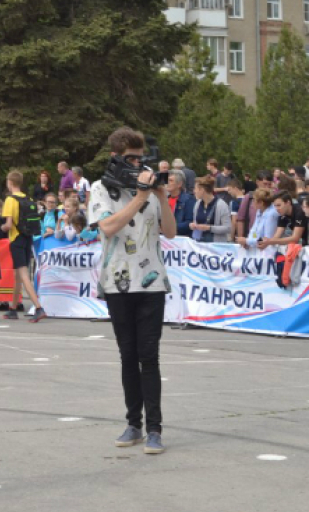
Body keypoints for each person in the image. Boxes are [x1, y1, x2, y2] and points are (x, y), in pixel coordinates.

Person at [88, 127, 176, 455]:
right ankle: (133, 424)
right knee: (128, 356)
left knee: (148, 356)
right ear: (116, 157)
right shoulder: (100, 189)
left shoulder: (151, 191)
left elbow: (169, 231)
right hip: (117, 282)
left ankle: (155, 428)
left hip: (151, 283)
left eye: (141, 158)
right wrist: (139, 197)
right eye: (131, 159)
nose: (138, 164)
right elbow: (107, 227)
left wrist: (161, 197)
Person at [0, 170, 46, 322]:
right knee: (17, 276)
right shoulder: (28, 198)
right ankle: (13, 308)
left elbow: (8, 224)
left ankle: (38, 308)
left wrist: (2, 228)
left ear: (10, 183)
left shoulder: (10, 200)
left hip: (16, 239)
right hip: (27, 238)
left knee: (24, 275)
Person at [190, 176, 231, 243]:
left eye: (195, 189)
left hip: (215, 246)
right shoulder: (197, 204)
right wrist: (193, 225)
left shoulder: (221, 205)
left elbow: (228, 228)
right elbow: (196, 221)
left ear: (202, 190)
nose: (194, 191)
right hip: (199, 244)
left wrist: (209, 228)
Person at [165, 169, 194, 237]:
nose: (167, 183)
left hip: (180, 239)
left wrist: (169, 228)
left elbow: (189, 222)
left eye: (171, 180)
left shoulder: (188, 200)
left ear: (179, 184)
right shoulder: (165, 199)